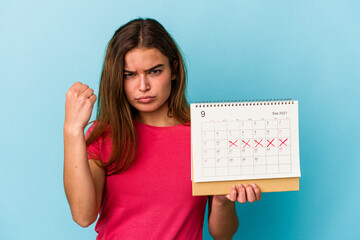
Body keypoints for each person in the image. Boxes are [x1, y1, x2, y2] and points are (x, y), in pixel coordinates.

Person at [63, 18, 262, 240]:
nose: (143, 86)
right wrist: (72, 130)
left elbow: (222, 235)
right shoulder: (104, 135)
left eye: (155, 71)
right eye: (129, 75)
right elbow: (83, 216)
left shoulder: (206, 133)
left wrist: (222, 200)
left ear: (173, 70)